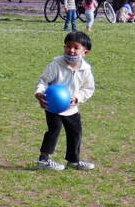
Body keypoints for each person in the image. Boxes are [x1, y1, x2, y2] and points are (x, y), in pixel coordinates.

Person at [35, 31, 96, 171]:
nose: (71, 50)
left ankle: (73, 161)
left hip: (71, 107)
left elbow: (88, 89)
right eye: (68, 47)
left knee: (75, 132)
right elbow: (43, 81)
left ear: (85, 52)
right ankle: (43, 160)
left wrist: (78, 98)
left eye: (76, 48)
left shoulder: (86, 69)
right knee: (54, 130)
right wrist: (39, 93)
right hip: (52, 106)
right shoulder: (56, 64)